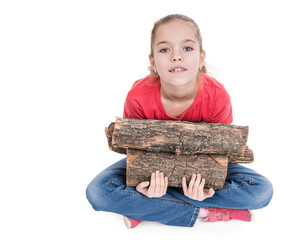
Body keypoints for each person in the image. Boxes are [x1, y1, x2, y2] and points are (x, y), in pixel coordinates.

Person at [86, 14, 273, 229]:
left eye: (187, 48)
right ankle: (204, 211)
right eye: (165, 50)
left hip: (204, 166)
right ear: (152, 61)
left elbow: (220, 156)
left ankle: (149, 207)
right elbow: (135, 153)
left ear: (201, 57)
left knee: (261, 191)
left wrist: (205, 187)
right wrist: (141, 185)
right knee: (97, 192)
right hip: (151, 167)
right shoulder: (138, 96)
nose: (176, 57)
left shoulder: (217, 96)